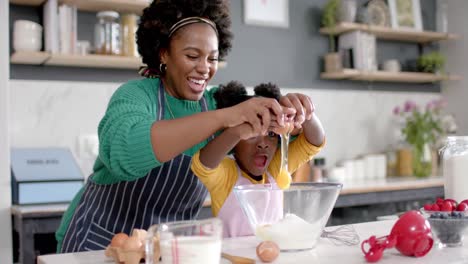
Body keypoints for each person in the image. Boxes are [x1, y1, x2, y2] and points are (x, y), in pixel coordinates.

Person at [56, 0, 292, 253]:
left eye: (212, 58)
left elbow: (269, 132)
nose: (204, 68)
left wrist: (293, 113)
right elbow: (123, 154)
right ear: (163, 53)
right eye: (192, 56)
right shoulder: (136, 96)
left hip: (168, 250)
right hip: (99, 243)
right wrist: (224, 118)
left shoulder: (217, 103)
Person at [191, 81, 325, 237]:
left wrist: (306, 114)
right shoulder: (227, 174)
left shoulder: (275, 169)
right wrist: (238, 131)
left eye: (271, 134)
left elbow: (314, 142)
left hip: (272, 255)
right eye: (252, 135)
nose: (263, 144)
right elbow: (204, 164)